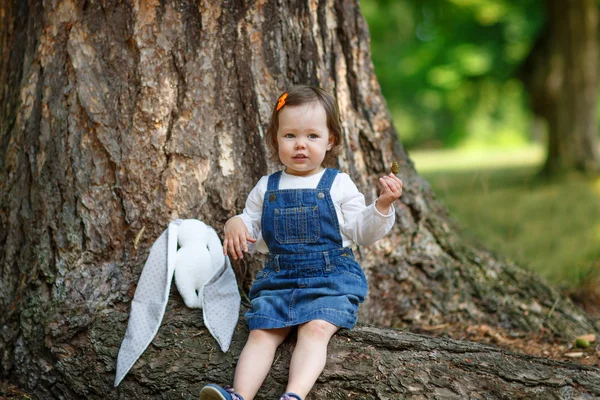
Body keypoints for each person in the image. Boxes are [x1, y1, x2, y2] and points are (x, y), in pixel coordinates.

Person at [199, 85, 403, 400]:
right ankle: (239, 395)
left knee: (316, 329)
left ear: (330, 140)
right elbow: (252, 227)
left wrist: (382, 206)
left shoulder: (338, 183)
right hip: (280, 279)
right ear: (275, 139)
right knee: (262, 332)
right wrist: (234, 223)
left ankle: (293, 395)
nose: (300, 145)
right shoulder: (267, 186)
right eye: (290, 136)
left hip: (330, 278)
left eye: (312, 136)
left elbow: (362, 232)